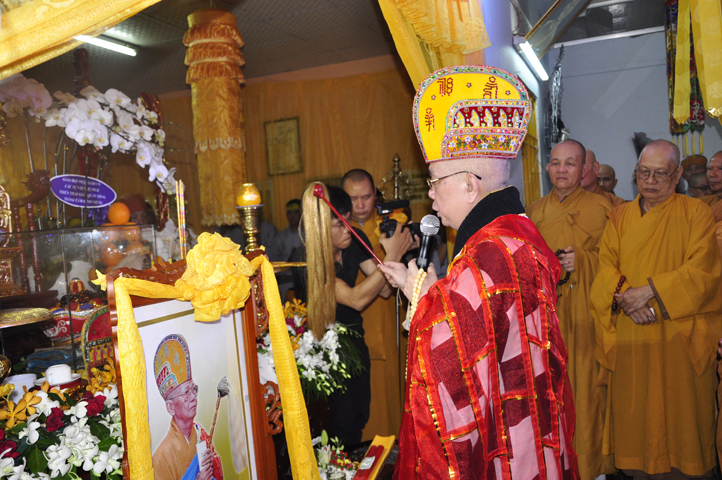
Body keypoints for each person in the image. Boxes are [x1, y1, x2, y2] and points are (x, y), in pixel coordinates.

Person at [379, 65, 579, 479]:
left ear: (470, 185)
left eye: (435, 180)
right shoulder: (518, 235)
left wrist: (423, 302)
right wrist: (426, 292)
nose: (430, 193)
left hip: (505, 443)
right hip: (525, 425)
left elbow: (452, 360)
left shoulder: (488, 253)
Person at [590, 140, 722, 479]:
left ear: (677, 175)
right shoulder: (619, 216)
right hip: (632, 332)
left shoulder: (696, 214)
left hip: (678, 334)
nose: (649, 181)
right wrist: (627, 298)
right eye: (643, 172)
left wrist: (650, 292)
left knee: (682, 421)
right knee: (636, 416)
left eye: (660, 174)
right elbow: (605, 267)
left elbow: (704, 270)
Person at [293, 184, 412, 447]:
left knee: (359, 414)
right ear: (321, 226)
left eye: (348, 220)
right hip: (325, 351)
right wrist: (392, 254)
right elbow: (356, 299)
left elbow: (383, 290)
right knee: (339, 424)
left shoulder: (353, 238)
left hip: (355, 342)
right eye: (339, 224)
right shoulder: (307, 259)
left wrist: (395, 258)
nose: (348, 229)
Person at [527, 140, 614, 480]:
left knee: (585, 392)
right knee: (546, 394)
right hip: (544, 319)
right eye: (555, 163)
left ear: (584, 170)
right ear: (547, 168)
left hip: (586, 318)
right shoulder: (533, 213)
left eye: (570, 163)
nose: (561, 169)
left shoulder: (603, 209)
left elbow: (618, 265)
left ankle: (591, 469)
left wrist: (585, 261)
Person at [341, 169, 414, 439]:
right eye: (353, 199)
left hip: (393, 316)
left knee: (398, 387)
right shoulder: (342, 232)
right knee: (371, 399)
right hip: (363, 317)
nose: (360, 205)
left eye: (367, 197)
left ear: (376, 195)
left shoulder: (391, 222)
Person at [152, 334, 223, 480]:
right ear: (170, 407)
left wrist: (211, 463)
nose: (192, 396)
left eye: (193, 389)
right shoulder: (161, 456)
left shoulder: (200, 433)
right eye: (185, 392)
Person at [273, 199, 303, 301]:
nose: (292, 216)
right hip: (286, 280)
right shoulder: (281, 236)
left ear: (301, 214)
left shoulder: (307, 234)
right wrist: (289, 260)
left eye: (296, 212)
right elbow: (273, 259)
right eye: (289, 213)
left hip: (304, 278)